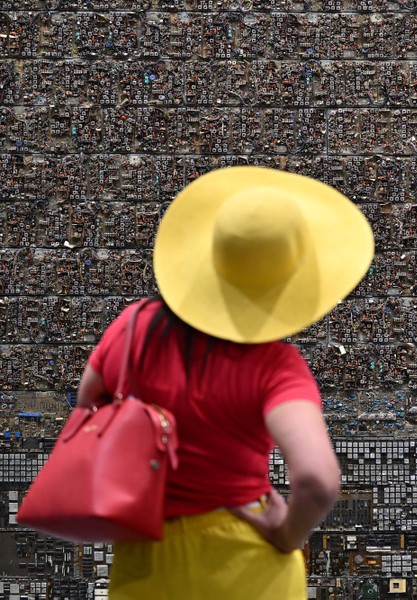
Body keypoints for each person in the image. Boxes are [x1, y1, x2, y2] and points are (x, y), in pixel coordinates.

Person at [75, 166, 374, 599]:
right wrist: (286, 535)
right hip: (251, 568)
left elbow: (88, 409)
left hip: (146, 561)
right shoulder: (275, 368)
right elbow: (318, 479)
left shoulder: (132, 328)